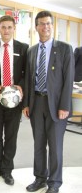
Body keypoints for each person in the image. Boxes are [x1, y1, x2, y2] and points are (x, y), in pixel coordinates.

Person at [23, 11, 74, 193]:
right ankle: (40, 178)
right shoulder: (32, 50)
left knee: (55, 146)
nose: (46, 27)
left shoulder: (65, 49)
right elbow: (29, 79)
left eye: (49, 24)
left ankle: (54, 183)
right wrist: (27, 104)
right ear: (36, 27)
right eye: (42, 24)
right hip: (36, 103)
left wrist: (64, 106)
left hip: (57, 107)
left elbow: (68, 80)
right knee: (38, 145)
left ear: (52, 26)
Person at [0, 15, 28, 185]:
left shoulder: (23, 48)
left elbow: (27, 72)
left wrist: (20, 86)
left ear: (14, 28)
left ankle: (7, 170)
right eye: (3, 27)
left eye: (9, 27)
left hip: (14, 101)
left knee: (11, 137)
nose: (6, 30)